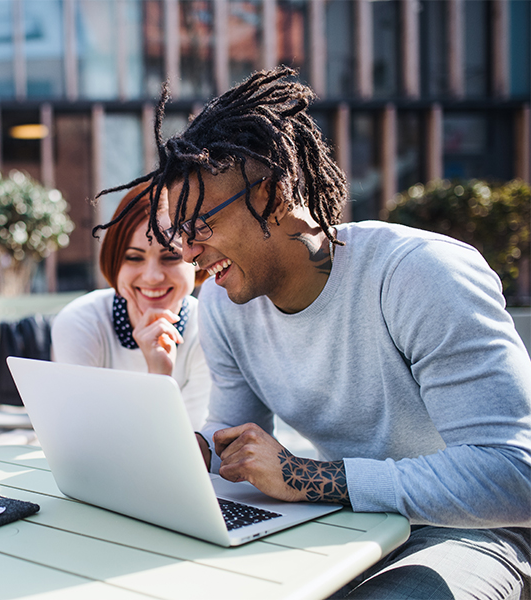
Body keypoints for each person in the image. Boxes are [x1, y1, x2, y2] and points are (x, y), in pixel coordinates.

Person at [94, 67, 531, 599]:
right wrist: (186, 450)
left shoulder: (419, 275)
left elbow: (513, 476)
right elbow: (232, 435)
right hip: (338, 526)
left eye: (199, 227)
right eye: (178, 232)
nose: (186, 253)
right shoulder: (226, 302)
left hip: (465, 534)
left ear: (275, 196)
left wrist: (307, 478)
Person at [52, 182, 211, 429]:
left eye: (170, 257)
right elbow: (82, 436)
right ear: (115, 261)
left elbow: (187, 448)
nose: (152, 276)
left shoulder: (211, 329)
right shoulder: (80, 323)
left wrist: (160, 376)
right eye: (134, 257)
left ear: (196, 259)